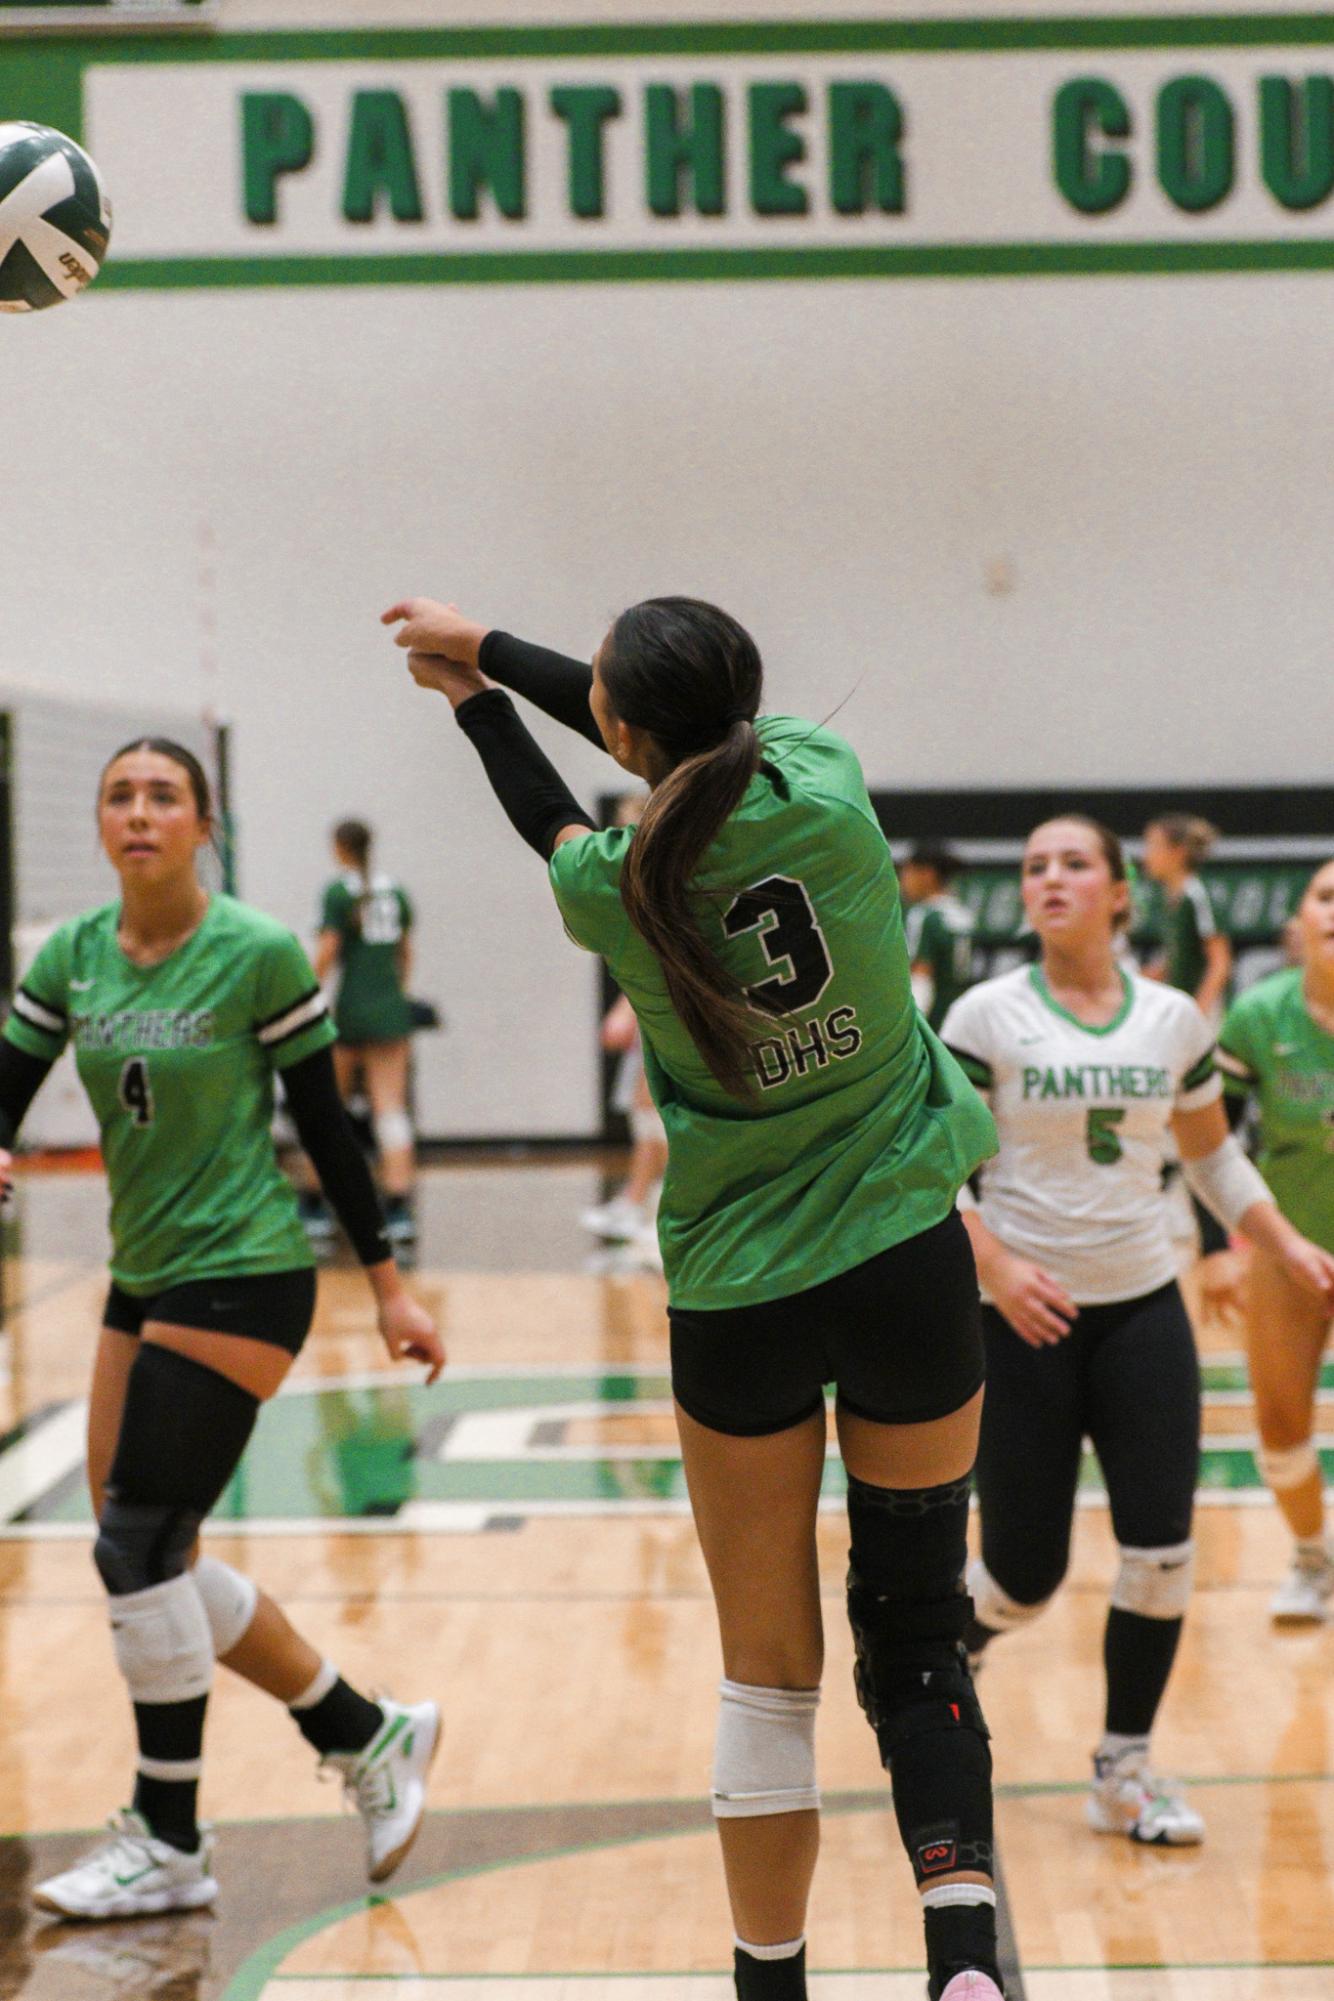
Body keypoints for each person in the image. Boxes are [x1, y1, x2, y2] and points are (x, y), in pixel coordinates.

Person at [383, 592, 1004, 2001]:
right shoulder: (824, 787)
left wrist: (472, 692)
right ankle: (962, 1964)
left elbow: (547, 810)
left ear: (619, 729)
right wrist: (492, 651)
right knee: (915, 1627)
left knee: (766, 1673)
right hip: (907, 1259)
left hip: (740, 1293)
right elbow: (652, 725)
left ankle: (769, 1984)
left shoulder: (614, 881)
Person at [0, 741, 445, 1921]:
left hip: (245, 1272)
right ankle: (365, 1730)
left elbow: (327, 1127)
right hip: (142, 1273)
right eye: (121, 796)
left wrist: (389, 1285)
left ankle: (171, 1834)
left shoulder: (252, 952)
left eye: (164, 797)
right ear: (101, 824)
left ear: (204, 827)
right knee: (149, 1547)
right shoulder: (74, 955)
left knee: (135, 1545)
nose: (140, 813)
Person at [940, 817, 1334, 1846]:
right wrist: (995, 1265)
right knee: (1021, 1579)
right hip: (1021, 1316)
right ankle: (940, 1647)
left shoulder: (1170, 1020)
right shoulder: (984, 1014)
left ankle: (1122, 1767)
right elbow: (935, 1170)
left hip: (1140, 1310)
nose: (1048, 880)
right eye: (1031, 866)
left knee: (1159, 1551)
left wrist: (1279, 1244)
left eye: (1072, 864)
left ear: (1119, 894)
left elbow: (1209, 1158)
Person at [1216, 858, 1334, 1622]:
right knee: (1279, 1424)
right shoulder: (1258, 1015)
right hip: (1290, 1246)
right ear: (1298, 921)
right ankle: (1314, 1557)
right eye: (1327, 895)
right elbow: (1211, 1147)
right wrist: (1220, 1248)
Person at [303, 819, 418, 1247]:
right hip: (390, 1013)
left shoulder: (338, 892)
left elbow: (328, 952)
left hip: (349, 1013)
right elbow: (406, 954)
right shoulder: (396, 891)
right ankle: (399, 1207)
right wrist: (395, 996)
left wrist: (303, 994)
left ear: (340, 847)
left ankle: (315, 1204)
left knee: (328, 1108)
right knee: (391, 1112)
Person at [581, 991, 668, 1255]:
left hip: (670, 1035)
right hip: (653, 1035)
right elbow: (613, 1033)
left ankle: (656, 1208)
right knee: (646, 1117)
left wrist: (625, 1009)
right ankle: (637, 1201)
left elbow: (615, 1031)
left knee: (656, 1116)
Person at [1141, 815, 1232, 1021]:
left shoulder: (1197, 895)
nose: (1146, 855)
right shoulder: (1170, 899)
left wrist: (1199, 1012)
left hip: (1203, 1016)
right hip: (1181, 1012)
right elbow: (1175, 959)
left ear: (1178, 853)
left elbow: (1220, 963)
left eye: (1153, 846)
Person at [899, 846, 977, 1032]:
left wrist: (912, 1029)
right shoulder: (963, 915)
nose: (902, 880)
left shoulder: (924, 915)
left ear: (927, 874)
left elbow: (921, 978)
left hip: (933, 1024)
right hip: (960, 1022)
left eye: (906, 872)